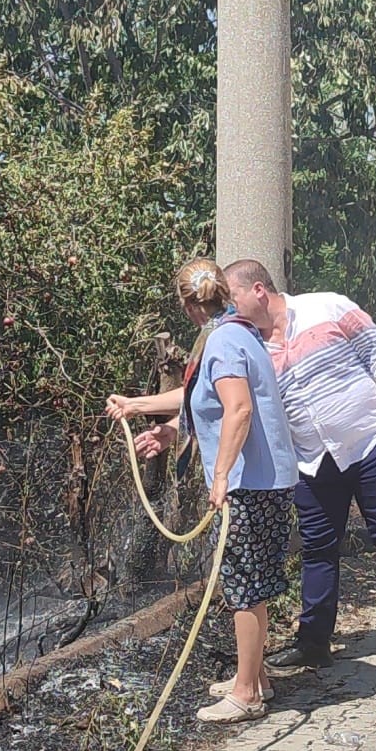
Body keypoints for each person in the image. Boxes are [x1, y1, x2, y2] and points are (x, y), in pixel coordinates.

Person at [216, 260, 376, 679]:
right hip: (313, 459)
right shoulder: (251, 346)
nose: (229, 308)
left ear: (258, 291)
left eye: (233, 298)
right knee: (317, 547)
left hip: (370, 441)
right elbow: (229, 396)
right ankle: (314, 642)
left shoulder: (327, 307)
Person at [105, 259, 299, 723]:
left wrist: (220, 475)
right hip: (264, 481)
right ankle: (255, 677)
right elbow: (201, 396)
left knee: (244, 586)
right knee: (250, 582)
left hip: (249, 485)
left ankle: (247, 693)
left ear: (188, 303)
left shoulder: (224, 341)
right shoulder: (236, 333)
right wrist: (140, 408)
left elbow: (238, 410)